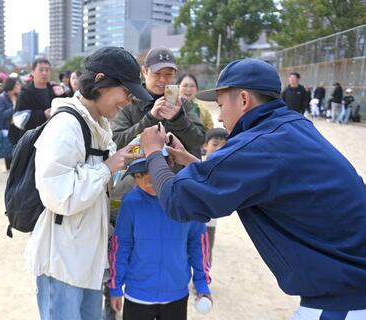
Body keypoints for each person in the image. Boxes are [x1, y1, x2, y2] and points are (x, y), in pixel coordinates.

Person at [139, 58, 366, 320]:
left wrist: (153, 152)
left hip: (345, 301)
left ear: (244, 100)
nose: (220, 116)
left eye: (222, 105)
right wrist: (193, 163)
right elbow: (250, 178)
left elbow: (178, 201)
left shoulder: (260, 145)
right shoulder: (289, 128)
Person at [25, 46, 153, 320]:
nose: (128, 101)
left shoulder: (97, 124)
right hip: (63, 263)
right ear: (100, 81)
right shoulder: (66, 126)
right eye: (126, 92)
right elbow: (59, 196)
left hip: (85, 258)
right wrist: (107, 168)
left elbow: (112, 160)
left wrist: (141, 146)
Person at [108, 148, 211, 320]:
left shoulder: (186, 201)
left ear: (167, 164)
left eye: (150, 170)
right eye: (138, 174)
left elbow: (198, 245)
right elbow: (121, 246)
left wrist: (202, 284)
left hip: (176, 294)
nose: (146, 180)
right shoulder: (130, 203)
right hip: (137, 294)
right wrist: (115, 287)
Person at [112, 47, 205, 157]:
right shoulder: (129, 103)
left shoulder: (182, 104)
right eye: (157, 73)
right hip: (141, 172)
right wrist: (150, 118)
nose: (162, 79)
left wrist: (178, 118)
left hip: (179, 173)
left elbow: (199, 141)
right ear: (144, 71)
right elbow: (116, 143)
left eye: (168, 74)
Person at [202, 128, 228, 265]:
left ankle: (203, 280)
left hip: (209, 221)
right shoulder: (195, 165)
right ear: (205, 145)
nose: (219, 149)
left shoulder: (226, 171)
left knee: (206, 249)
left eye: (224, 146)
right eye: (215, 144)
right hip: (189, 220)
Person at [0, 77, 21, 172]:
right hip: (6, 128)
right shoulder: (0, 99)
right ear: (11, 86)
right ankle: (9, 169)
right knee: (8, 149)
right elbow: (1, 115)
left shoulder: (19, 96)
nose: (19, 86)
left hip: (18, 127)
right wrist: (14, 106)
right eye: (17, 84)